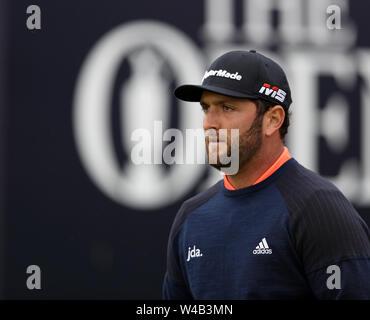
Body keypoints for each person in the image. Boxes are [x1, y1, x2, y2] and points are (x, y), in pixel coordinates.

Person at [162, 50, 370, 299]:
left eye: (227, 108)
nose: (209, 123)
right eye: (206, 107)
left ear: (273, 120)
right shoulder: (190, 217)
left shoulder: (319, 209)